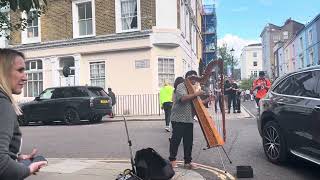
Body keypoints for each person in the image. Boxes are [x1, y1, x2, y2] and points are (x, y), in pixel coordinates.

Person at [0, 49, 47, 180]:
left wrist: (14, 157)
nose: (25, 77)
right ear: (3, 72)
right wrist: (27, 169)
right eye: (20, 70)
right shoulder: (2, 104)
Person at [169, 70, 207, 170]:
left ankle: (188, 162)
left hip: (189, 118)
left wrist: (207, 100)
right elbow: (183, 98)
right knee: (176, 140)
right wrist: (197, 93)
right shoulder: (181, 86)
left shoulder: (194, 89)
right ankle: (172, 160)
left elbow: (196, 102)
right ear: (187, 78)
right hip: (178, 118)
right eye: (192, 77)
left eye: (196, 77)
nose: (194, 79)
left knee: (188, 142)